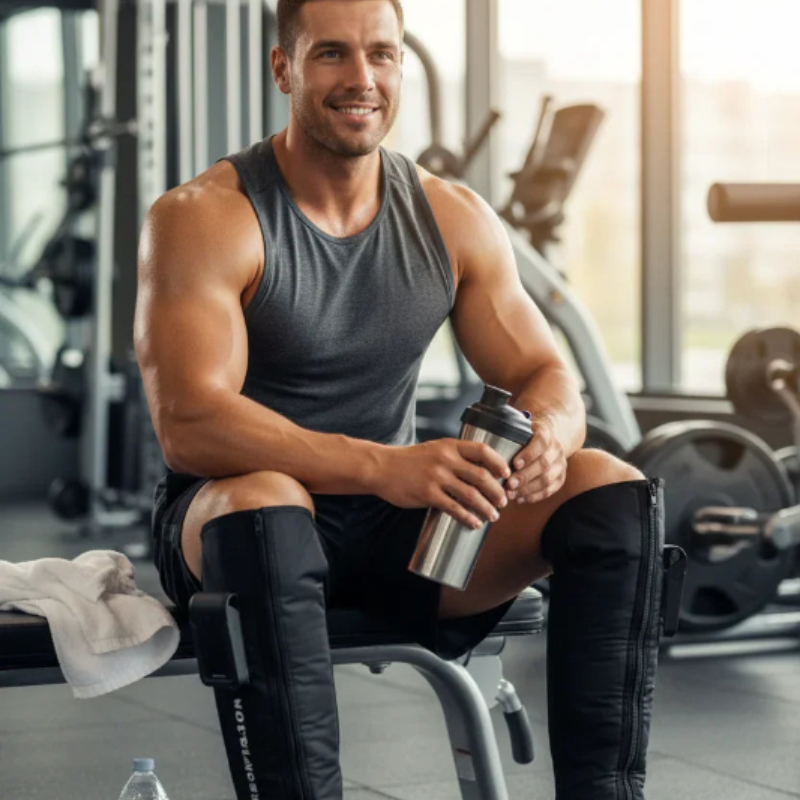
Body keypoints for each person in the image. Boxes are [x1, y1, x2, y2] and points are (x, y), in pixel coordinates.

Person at [135, 1, 671, 798]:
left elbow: (547, 374)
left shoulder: (451, 217)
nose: (362, 79)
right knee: (267, 503)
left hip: (401, 535)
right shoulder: (207, 217)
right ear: (283, 69)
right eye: (332, 56)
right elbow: (191, 423)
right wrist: (384, 466)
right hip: (238, 526)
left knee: (610, 489)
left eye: (382, 56)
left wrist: (551, 436)